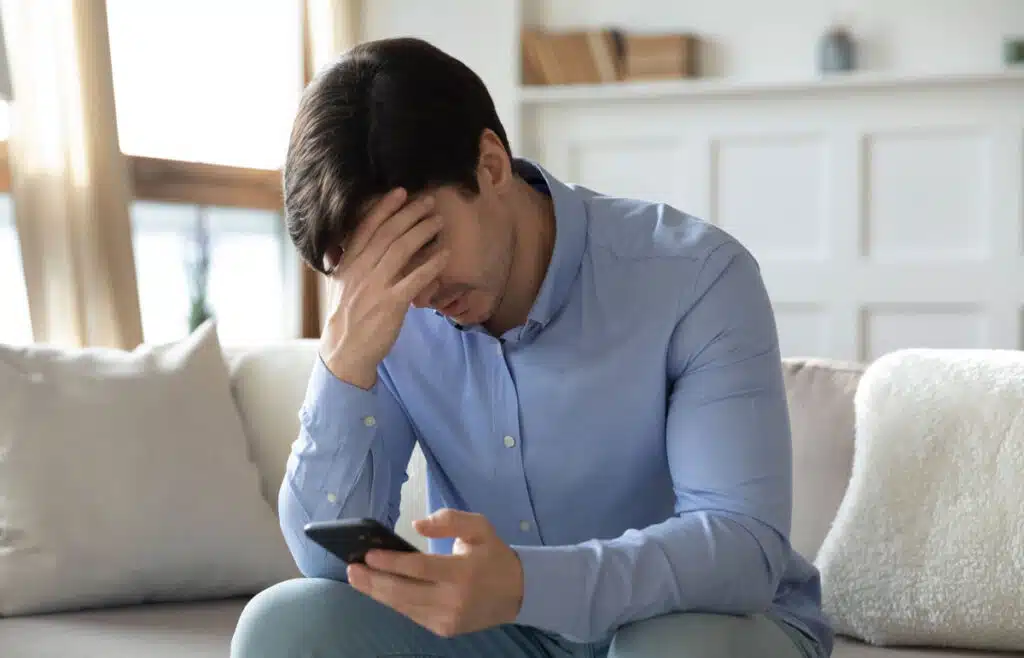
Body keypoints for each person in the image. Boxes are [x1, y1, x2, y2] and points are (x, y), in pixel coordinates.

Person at [231, 36, 831, 658]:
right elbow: (326, 568)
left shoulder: (696, 276)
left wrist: (525, 585)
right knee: (284, 626)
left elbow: (739, 548)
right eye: (376, 270)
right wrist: (344, 362)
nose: (414, 293)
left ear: (490, 166)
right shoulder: (388, 316)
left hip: (694, 622)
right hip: (500, 636)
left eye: (418, 246)